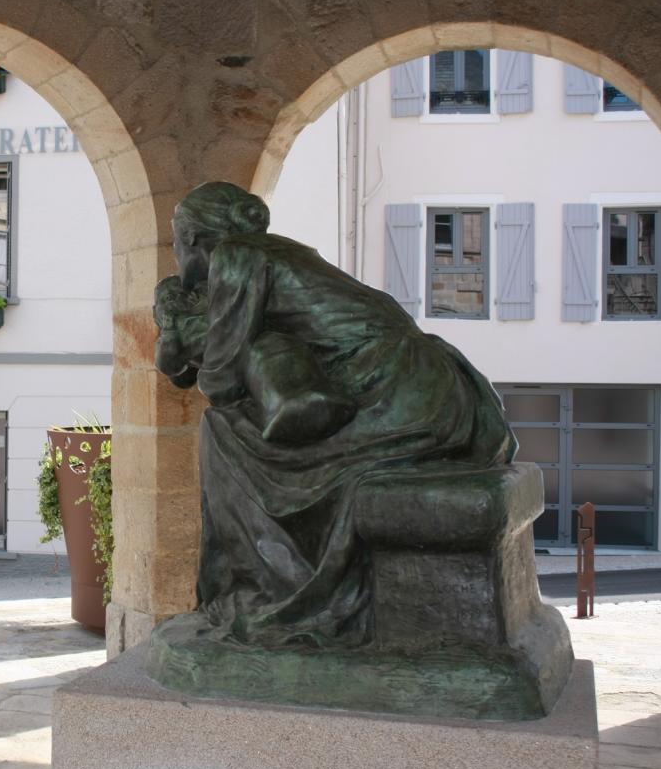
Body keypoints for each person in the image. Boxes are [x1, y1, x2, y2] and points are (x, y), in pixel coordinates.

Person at [155, 182, 514, 647]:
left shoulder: (238, 254)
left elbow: (221, 381)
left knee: (221, 430)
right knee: (250, 415)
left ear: (190, 238)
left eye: (175, 242)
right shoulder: (285, 253)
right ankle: (274, 583)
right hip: (436, 390)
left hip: (394, 390)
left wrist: (174, 335)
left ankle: (278, 593)